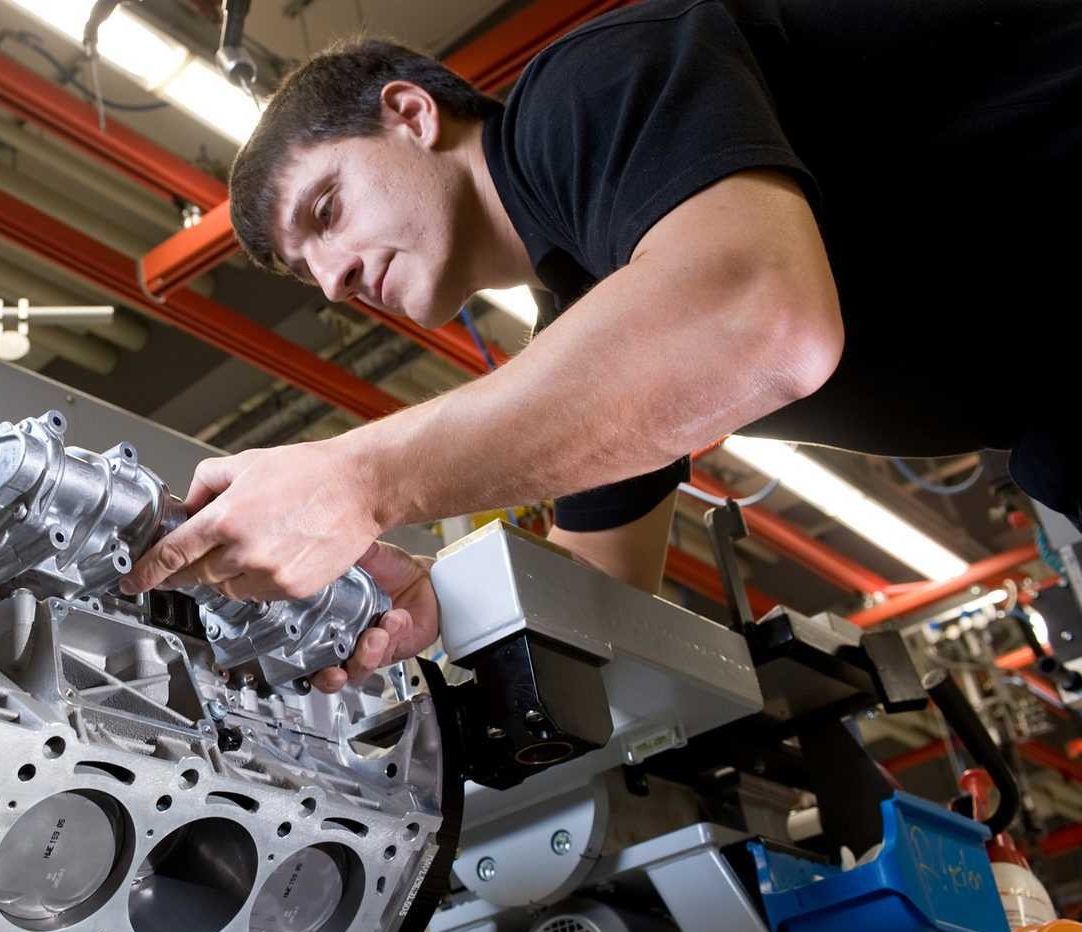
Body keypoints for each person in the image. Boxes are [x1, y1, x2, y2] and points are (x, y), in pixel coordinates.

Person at [118, 0, 1082, 693]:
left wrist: (358, 477)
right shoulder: (603, 323)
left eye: (327, 212)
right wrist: (441, 597)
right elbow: (598, 585)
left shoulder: (588, 85)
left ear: (411, 115)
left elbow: (761, 320)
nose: (334, 280)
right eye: (308, 274)